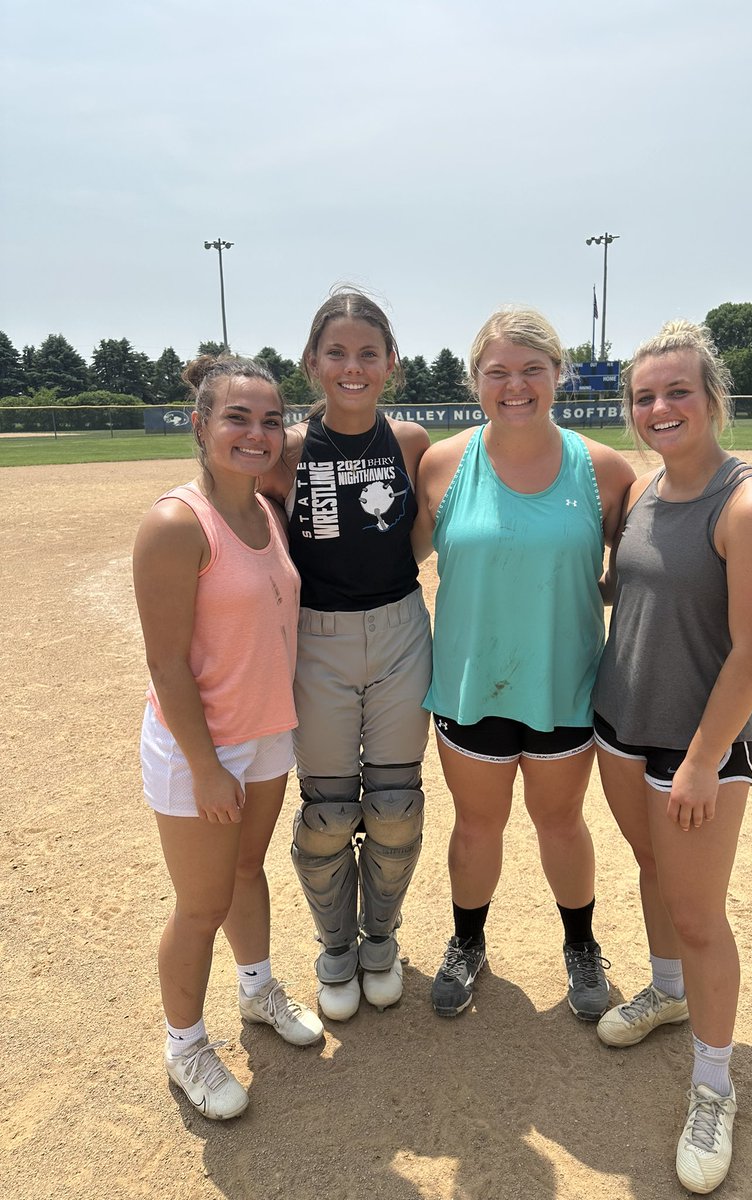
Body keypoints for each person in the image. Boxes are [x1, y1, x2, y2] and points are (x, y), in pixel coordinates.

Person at [592, 321, 752, 1193]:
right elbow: (622, 590)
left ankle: (714, 1084)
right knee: (652, 868)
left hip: (696, 745)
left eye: (677, 391)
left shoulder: (747, 505)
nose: (660, 408)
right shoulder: (641, 492)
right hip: (619, 722)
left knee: (702, 910)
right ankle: (666, 990)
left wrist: (710, 759)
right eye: (645, 396)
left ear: (712, 395)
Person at [414, 306, 635, 1020]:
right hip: (472, 684)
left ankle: (580, 946)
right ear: (475, 378)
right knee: (476, 827)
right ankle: (467, 941)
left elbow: (636, 574)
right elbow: (391, 563)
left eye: (532, 369)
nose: (515, 385)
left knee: (561, 822)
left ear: (557, 375)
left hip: (561, 684)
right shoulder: (444, 464)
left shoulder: (601, 469)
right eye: (498, 371)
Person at [133, 355, 324, 1123]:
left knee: (249, 870)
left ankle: (258, 992)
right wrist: (207, 768)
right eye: (236, 418)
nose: (257, 433)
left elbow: (328, 431)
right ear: (199, 424)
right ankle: (185, 1047)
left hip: (267, 732)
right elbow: (165, 664)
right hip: (199, 747)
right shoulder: (178, 523)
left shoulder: (267, 510)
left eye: (270, 419)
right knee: (200, 904)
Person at [261, 287, 432, 1022]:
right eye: (337, 352)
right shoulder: (288, 454)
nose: (352, 366)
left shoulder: (414, 441)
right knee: (328, 812)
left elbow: (420, 531)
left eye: (368, 353)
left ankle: (379, 938)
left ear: (390, 363)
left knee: (395, 807)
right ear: (312, 362)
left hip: (399, 630)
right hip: (317, 641)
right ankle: (334, 945)